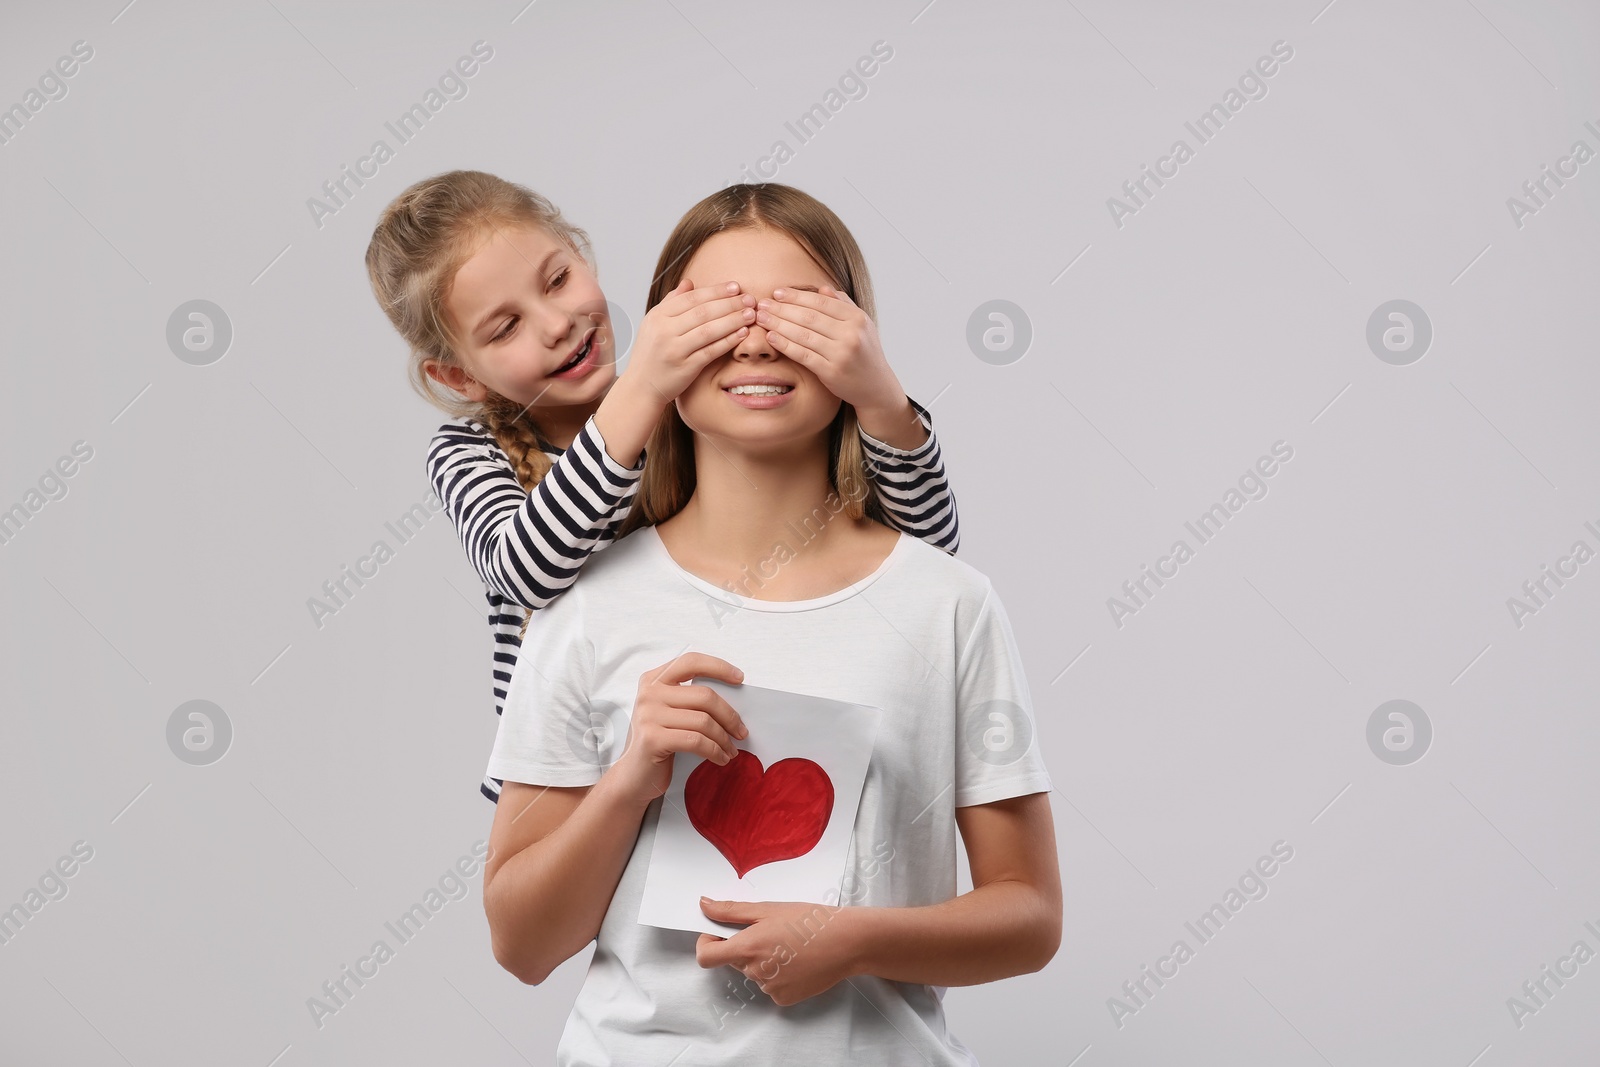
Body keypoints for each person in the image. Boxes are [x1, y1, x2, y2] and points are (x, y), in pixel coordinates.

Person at [482, 183, 1059, 1065]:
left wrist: (855, 937)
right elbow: (522, 943)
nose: (755, 336)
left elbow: (1030, 914)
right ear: (662, 351)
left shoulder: (949, 603)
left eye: (798, 310)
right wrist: (631, 777)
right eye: (717, 312)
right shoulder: (586, 606)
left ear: (855, 339)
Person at [364, 170, 963, 802]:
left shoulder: (692, 403)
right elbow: (523, 570)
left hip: (716, 748)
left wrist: (879, 397)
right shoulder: (470, 451)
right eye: (504, 327)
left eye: (558, 279)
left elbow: (926, 550)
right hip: (575, 786)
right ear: (459, 377)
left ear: (582, 254)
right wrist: (643, 391)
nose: (555, 324)